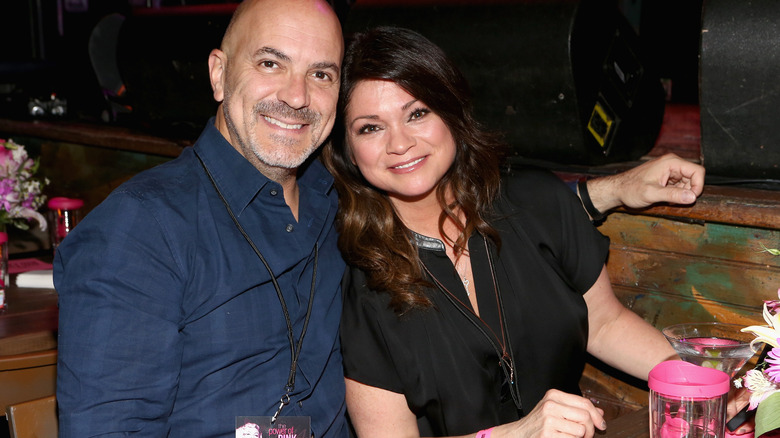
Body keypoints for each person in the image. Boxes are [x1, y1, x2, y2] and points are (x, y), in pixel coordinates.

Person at [320, 26, 683, 438]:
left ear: (451, 111)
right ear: (348, 149)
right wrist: (516, 434)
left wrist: (701, 381)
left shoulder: (538, 202)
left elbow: (604, 324)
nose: (399, 143)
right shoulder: (355, 274)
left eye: (417, 113)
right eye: (370, 127)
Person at [54, 0, 347, 436]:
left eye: (321, 74)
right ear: (218, 74)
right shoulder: (142, 227)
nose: (297, 96)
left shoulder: (341, 205)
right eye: (271, 63)